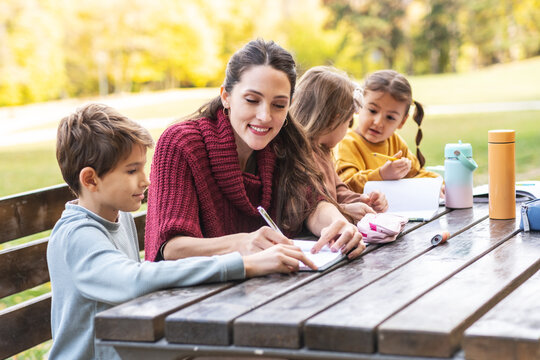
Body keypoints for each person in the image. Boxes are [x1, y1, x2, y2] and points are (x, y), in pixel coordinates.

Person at [48, 103, 317, 360]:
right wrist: (243, 264)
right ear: (90, 179)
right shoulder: (77, 235)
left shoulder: (120, 218)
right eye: (132, 170)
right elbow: (134, 281)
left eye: (143, 167)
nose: (145, 179)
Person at [145, 39, 365, 263]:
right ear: (226, 96)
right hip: (193, 295)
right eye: (252, 100)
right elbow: (172, 248)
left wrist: (337, 224)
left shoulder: (283, 142)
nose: (265, 116)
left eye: (279, 105)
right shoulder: (181, 144)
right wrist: (241, 244)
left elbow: (312, 204)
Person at [290, 66, 388, 223]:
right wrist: (343, 211)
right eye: (348, 122)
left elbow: (338, 190)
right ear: (334, 120)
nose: (349, 129)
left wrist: (362, 200)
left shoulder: (323, 151)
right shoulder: (297, 155)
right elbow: (306, 208)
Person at [335, 69, 440, 194]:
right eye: (373, 111)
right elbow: (345, 185)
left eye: (390, 117)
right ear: (359, 105)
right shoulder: (346, 143)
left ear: (402, 121)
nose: (378, 122)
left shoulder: (396, 143)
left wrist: (439, 185)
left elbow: (416, 173)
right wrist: (382, 175)